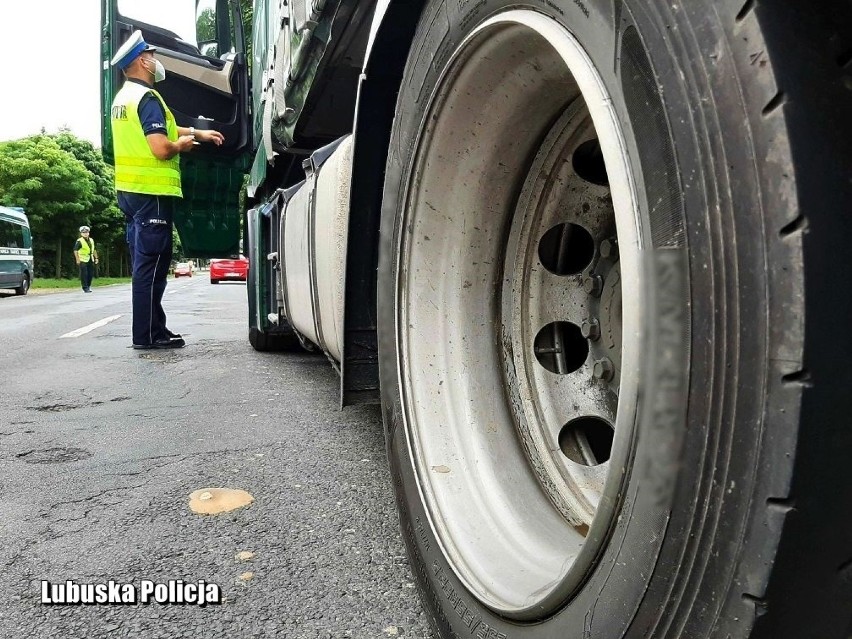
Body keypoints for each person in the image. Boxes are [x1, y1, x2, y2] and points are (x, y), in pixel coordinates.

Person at [109, 31, 224, 350]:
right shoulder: (146, 98)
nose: (156, 60)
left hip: (132, 193)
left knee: (146, 264)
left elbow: (164, 125)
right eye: (152, 55)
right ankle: (147, 335)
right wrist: (183, 145)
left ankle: (153, 329)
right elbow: (161, 147)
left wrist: (196, 133)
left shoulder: (125, 98)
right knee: (152, 266)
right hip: (152, 194)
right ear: (142, 61)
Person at [73, 226, 98, 293]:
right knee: (84, 274)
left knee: (90, 274)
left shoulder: (91, 240)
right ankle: (85, 288)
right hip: (82, 259)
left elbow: (94, 249)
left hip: (90, 259)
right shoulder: (79, 241)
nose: (85, 234)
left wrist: (96, 258)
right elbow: (75, 250)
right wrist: (77, 259)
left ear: (88, 233)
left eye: (86, 232)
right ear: (81, 234)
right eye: (83, 232)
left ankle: (88, 286)